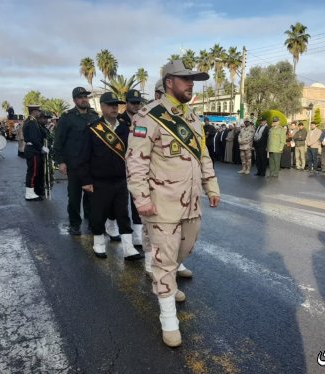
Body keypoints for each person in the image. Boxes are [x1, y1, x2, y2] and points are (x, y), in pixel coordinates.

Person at [126, 60, 220, 347]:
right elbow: (135, 162)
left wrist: (211, 186)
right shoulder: (148, 116)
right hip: (162, 204)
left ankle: (167, 279)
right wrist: (141, 199)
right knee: (164, 259)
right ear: (169, 82)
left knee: (185, 248)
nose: (191, 84)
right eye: (185, 79)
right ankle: (168, 319)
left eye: (193, 80)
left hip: (191, 203)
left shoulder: (192, 117)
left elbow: (203, 155)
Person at [79, 92, 143, 261]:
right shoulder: (93, 129)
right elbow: (84, 156)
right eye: (111, 105)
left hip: (121, 179)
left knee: (123, 213)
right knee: (98, 213)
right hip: (99, 180)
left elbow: (131, 153)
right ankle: (98, 242)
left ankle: (128, 247)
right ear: (102, 107)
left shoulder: (124, 128)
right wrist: (85, 180)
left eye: (117, 105)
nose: (115, 108)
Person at [53, 87, 99, 235]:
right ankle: (75, 224)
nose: (84, 99)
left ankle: (92, 222)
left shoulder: (94, 116)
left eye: (86, 96)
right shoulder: (67, 118)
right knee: (74, 197)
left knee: (92, 197)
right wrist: (60, 161)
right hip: (74, 164)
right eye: (80, 97)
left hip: (91, 164)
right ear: (74, 100)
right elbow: (58, 141)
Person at [118, 89, 145, 248]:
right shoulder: (119, 121)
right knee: (120, 204)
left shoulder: (142, 121)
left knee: (137, 200)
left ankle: (137, 235)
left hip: (136, 167)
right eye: (133, 103)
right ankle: (116, 228)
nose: (136, 106)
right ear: (126, 103)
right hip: (120, 166)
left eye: (138, 103)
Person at [23, 106, 48, 201]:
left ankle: (33, 191)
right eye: (38, 111)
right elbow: (33, 138)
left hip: (33, 149)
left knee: (35, 172)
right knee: (32, 172)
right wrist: (41, 147)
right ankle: (29, 194)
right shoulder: (31, 123)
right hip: (33, 150)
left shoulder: (33, 122)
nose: (39, 113)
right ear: (33, 112)